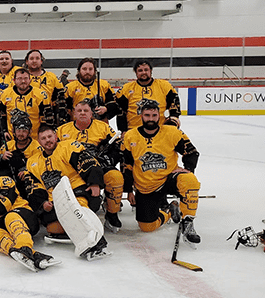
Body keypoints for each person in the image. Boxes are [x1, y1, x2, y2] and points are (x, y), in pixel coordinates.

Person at [121, 100, 201, 245]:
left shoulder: (172, 133)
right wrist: (129, 191)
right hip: (146, 186)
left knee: (190, 180)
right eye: (147, 115)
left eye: (154, 115)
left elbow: (192, 152)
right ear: (141, 116)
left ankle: (187, 222)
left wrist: (187, 169)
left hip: (169, 179)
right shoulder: (130, 136)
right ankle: (170, 211)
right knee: (146, 227)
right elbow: (127, 164)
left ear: (160, 116)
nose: (150, 118)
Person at [25, 124, 109, 258]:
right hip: (56, 201)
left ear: (56, 136)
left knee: (78, 209)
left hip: (77, 192)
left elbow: (87, 162)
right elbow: (34, 186)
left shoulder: (68, 147)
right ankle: (83, 234)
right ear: (39, 141)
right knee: (52, 228)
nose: (48, 140)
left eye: (50, 136)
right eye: (43, 138)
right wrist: (43, 203)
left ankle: (96, 243)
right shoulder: (33, 162)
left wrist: (94, 183)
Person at [0, 164, 60, 272]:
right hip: (1, 224)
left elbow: (2, 206)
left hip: (24, 216)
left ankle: (25, 247)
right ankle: (25, 253)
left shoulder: (3, 180)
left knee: (10, 216)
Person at [57, 100, 124, 232]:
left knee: (115, 177)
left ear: (91, 113)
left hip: (99, 166)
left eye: (86, 111)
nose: (82, 113)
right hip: (72, 170)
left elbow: (118, 148)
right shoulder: (62, 130)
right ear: (74, 114)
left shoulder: (103, 127)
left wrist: (108, 159)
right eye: (79, 111)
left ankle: (112, 213)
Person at [115, 59, 180, 132]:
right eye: (140, 70)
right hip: (134, 132)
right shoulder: (126, 89)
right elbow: (120, 113)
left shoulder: (165, 86)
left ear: (151, 71)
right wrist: (123, 130)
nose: (143, 73)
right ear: (136, 72)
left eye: (146, 70)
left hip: (160, 132)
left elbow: (174, 107)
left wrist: (171, 124)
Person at [0, 67, 53, 140]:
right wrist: (4, 131)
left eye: (25, 78)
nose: (23, 81)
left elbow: (47, 119)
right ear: (14, 80)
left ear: (30, 80)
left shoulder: (41, 95)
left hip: (35, 140)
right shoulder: (3, 95)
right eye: (19, 79)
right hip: (11, 139)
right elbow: (0, 116)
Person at [0, 112, 41, 191]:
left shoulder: (37, 147)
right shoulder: (8, 145)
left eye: (24, 131)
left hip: (29, 179)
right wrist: (2, 158)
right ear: (13, 131)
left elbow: (40, 166)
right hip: (10, 179)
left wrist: (27, 170)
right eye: (18, 130)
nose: (21, 134)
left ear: (30, 131)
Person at [24, 49, 67, 126]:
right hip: (26, 119)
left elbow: (61, 100)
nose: (34, 61)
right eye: (31, 58)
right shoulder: (21, 79)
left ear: (41, 61)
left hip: (47, 120)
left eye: (37, 58)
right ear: (27, 61)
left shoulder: (52, 77)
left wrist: (61, 119)